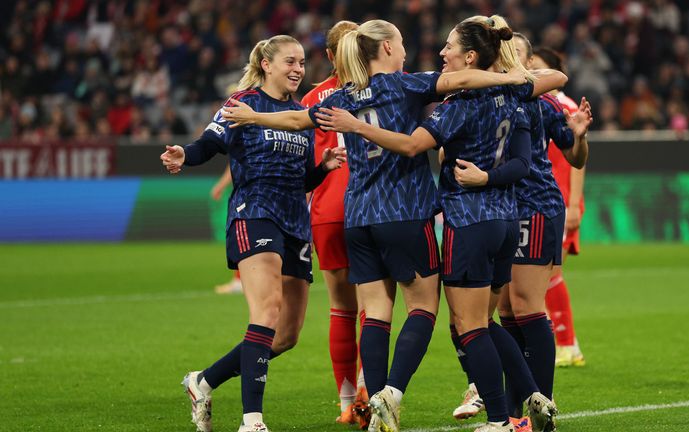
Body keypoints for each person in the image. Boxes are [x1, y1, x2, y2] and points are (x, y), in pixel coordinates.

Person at [219, 19, 531, 432]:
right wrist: (516, 76)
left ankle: (375, 413)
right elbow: (462, 79)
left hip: (358, 217)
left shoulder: (343, 95)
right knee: (422, 308)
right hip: (404, 211)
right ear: (385, 49)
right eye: (400, 42)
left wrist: (254, 116)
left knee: (376, 312)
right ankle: (390, 394)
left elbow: (297, 120)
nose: (406, 50)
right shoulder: (407, 85)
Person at [314, 18, 567, 432]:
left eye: (449, 47)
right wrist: (512, 74)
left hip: (466, 220)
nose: (440, 53)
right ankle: (535, 396)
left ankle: (501, 419)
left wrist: (357, 126)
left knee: (467, 326)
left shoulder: (456, 106)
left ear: (469, 56)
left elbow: (414, 144)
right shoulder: (514, 95)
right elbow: (551, 89)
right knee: (486, 321)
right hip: (506, 219)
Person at [160, 35, 346, 432]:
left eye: (301, 63)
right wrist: (185, 155)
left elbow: (300, 178)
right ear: (266, 64)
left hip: (295, 221)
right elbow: (210, 143)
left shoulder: (299, 114)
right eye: (290, 62)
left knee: (287, 335)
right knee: (267, 312)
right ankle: (252, 420)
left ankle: (203, 381)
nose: (298, 69)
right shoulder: (242, 103)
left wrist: (323, 167)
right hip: (254, 213)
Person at [453, 30, 590, 427]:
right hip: (505, 211)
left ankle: (540, 404)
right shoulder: (486, 99)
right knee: (508, 313)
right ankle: (516, 414)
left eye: (523, 58)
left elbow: (576, 157)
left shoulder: (537, 102)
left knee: (527, 308)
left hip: (535, 208)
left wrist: (579, 136)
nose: (520, 64)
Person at [298, 20, 370, 428]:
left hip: (327, 210)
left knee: (341, 308)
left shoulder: (312, 98)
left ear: (328, 56)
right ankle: (367, 392)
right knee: (373, 307)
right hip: (372, 206)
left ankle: (346, 401)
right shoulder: (383, 86)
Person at [532, 47, 588, 368]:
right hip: (547, 200)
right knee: (548, 275)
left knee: (551, 274)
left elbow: (578, 161)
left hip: (560, 201)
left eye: (538, 67)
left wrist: (574, 204)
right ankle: (568, 344)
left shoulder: (564, 107)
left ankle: (567, 344)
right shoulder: (540, 105)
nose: (533, 72)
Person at [209, 165, 243, 294]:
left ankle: (240, 281)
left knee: (244, 233)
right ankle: (240, 279)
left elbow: (236, 160)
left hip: (253, 192)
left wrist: (221, 185)